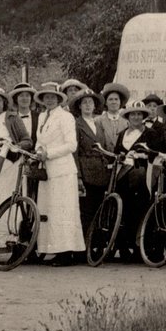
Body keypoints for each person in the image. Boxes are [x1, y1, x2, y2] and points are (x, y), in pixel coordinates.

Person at [34, 82, 84, 266]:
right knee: (48, 210)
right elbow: (40, 140)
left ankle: (67, 253)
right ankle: (52, 249)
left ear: (58, 98)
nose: (49, 100)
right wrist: (39, 150)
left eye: (52, 97)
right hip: (46, 170)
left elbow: (72, 145)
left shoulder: (66, 117)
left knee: (63, 210)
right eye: (46, 97)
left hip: (63, 170)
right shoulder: (41, 116)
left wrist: (50, 153)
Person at [0, 86, 33, 257]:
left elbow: (27, 140)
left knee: (10, 201)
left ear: (4, 102)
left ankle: (13, 243)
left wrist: (15, 147)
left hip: (11, 162)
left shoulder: (12, 117)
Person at [113, 100, 157, 261]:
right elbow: (117, 152)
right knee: (123, 212)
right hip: (123, 178)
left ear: (143, 116)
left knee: (140, 211)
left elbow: (155, 154)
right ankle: (123, 247)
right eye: (133, 114)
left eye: (139, 114)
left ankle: (140, 248)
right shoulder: (122, 134)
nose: (136, 117)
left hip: (142, 178)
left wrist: (142, 155)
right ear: (128, 116)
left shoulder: (150, 133)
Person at [70, 87, 111, 235]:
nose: (88, 105)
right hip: (85, 171)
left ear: (95, 106)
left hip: (100, 172)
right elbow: (74, 151)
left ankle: (94, 245)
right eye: (85, 103)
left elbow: (104, 148)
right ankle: (83, 246)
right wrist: (78, 176)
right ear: (79, 106)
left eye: (91, 102)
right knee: (85, 210)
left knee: (98, 209)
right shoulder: (76, 124)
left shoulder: (98, 124)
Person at [96, 82, 130, 150]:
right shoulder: (98, 121)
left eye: (116, 99)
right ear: (106, 102)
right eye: (110, 99)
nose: (114, 102)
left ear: (120, 102)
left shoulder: (127, 122)